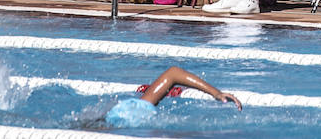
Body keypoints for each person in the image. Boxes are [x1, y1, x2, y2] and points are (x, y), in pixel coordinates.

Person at [103, 66, 241, 128]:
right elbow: (173, 73)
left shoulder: (133, 112)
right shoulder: (132, 110)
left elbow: (173, 73)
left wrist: (216, 93)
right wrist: (216, 93)